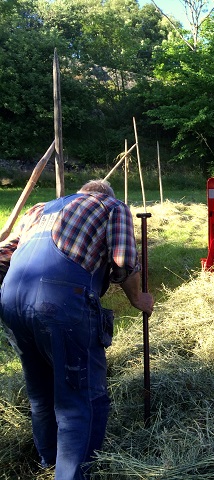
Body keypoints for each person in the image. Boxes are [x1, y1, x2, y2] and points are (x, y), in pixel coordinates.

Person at [0, 179, 154, 479]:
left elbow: (4, 254)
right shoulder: (112, 207)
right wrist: (138, 298)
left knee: (41, 392)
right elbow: (123, 261)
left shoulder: (40, 209)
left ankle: (48, 462)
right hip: (59, 304)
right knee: (82, 398)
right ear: (105, 195)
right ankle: (72, 474)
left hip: (12, 301)